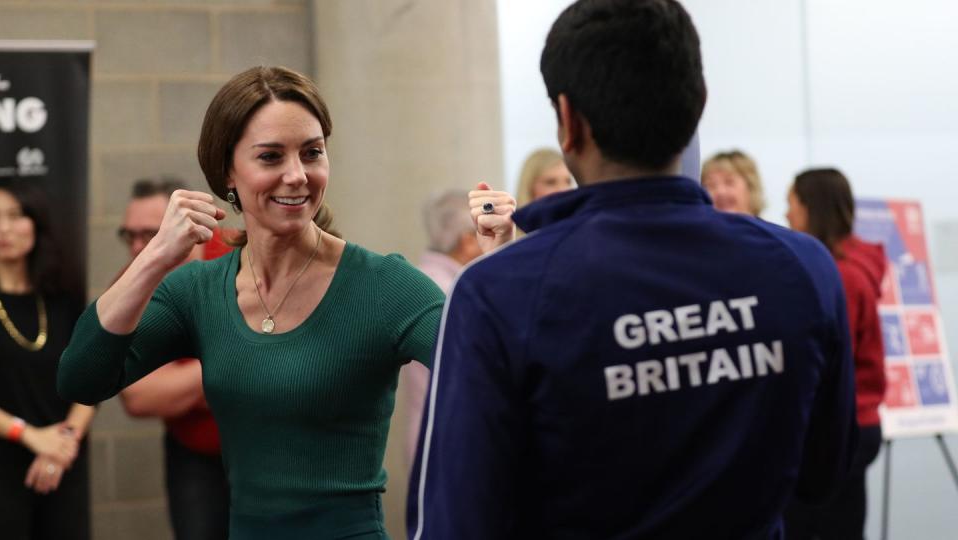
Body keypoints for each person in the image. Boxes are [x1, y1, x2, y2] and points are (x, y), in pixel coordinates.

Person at [407, 1, 858, 538]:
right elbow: (822, 473)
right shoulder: (804, 268)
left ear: (568, 121)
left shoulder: (498, 293)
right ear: (698, 107)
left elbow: (452, 522)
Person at [57, 66, 515, 539]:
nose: (297, 176)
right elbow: (81, 378)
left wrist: (498, 269)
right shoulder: (196, 291)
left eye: (312, 153)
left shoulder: (385, 285)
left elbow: (498, 376)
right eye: (271, 156)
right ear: (227, 172)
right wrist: (155, 254)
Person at [117, 177, 231, 540]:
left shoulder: (239, 259)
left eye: (149, 234)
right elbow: (138, 397)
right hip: (193, 454)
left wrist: (185, 383)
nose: (137, 248)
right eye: (128, 235)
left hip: (266, 449)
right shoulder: (131, 283)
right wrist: (234, 358)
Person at [784, 168, 887, 540]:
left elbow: (826, 358)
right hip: (858, 422)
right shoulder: (852, 268)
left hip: (841, 423)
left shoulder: (841, 276)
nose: (787, 216)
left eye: (791, 205)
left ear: (812, 208)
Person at [0, 179, 95, 540]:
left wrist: (62, 444)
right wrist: (30, 436)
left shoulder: (62, 299)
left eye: (15, 216)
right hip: (5, 467)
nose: (4, 229)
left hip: (61, 464)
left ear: (36, 224)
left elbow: (92, 379)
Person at [401, 189, 483, 465]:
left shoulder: (417, 280)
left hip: (427, 432)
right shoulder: (453, 294)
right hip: (453, 441)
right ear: (468, 241)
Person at [701, 149, 766, 216]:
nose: (720, 192)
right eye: (711, 185)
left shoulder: (769, 226)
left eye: (729, 182)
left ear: (751, 187)